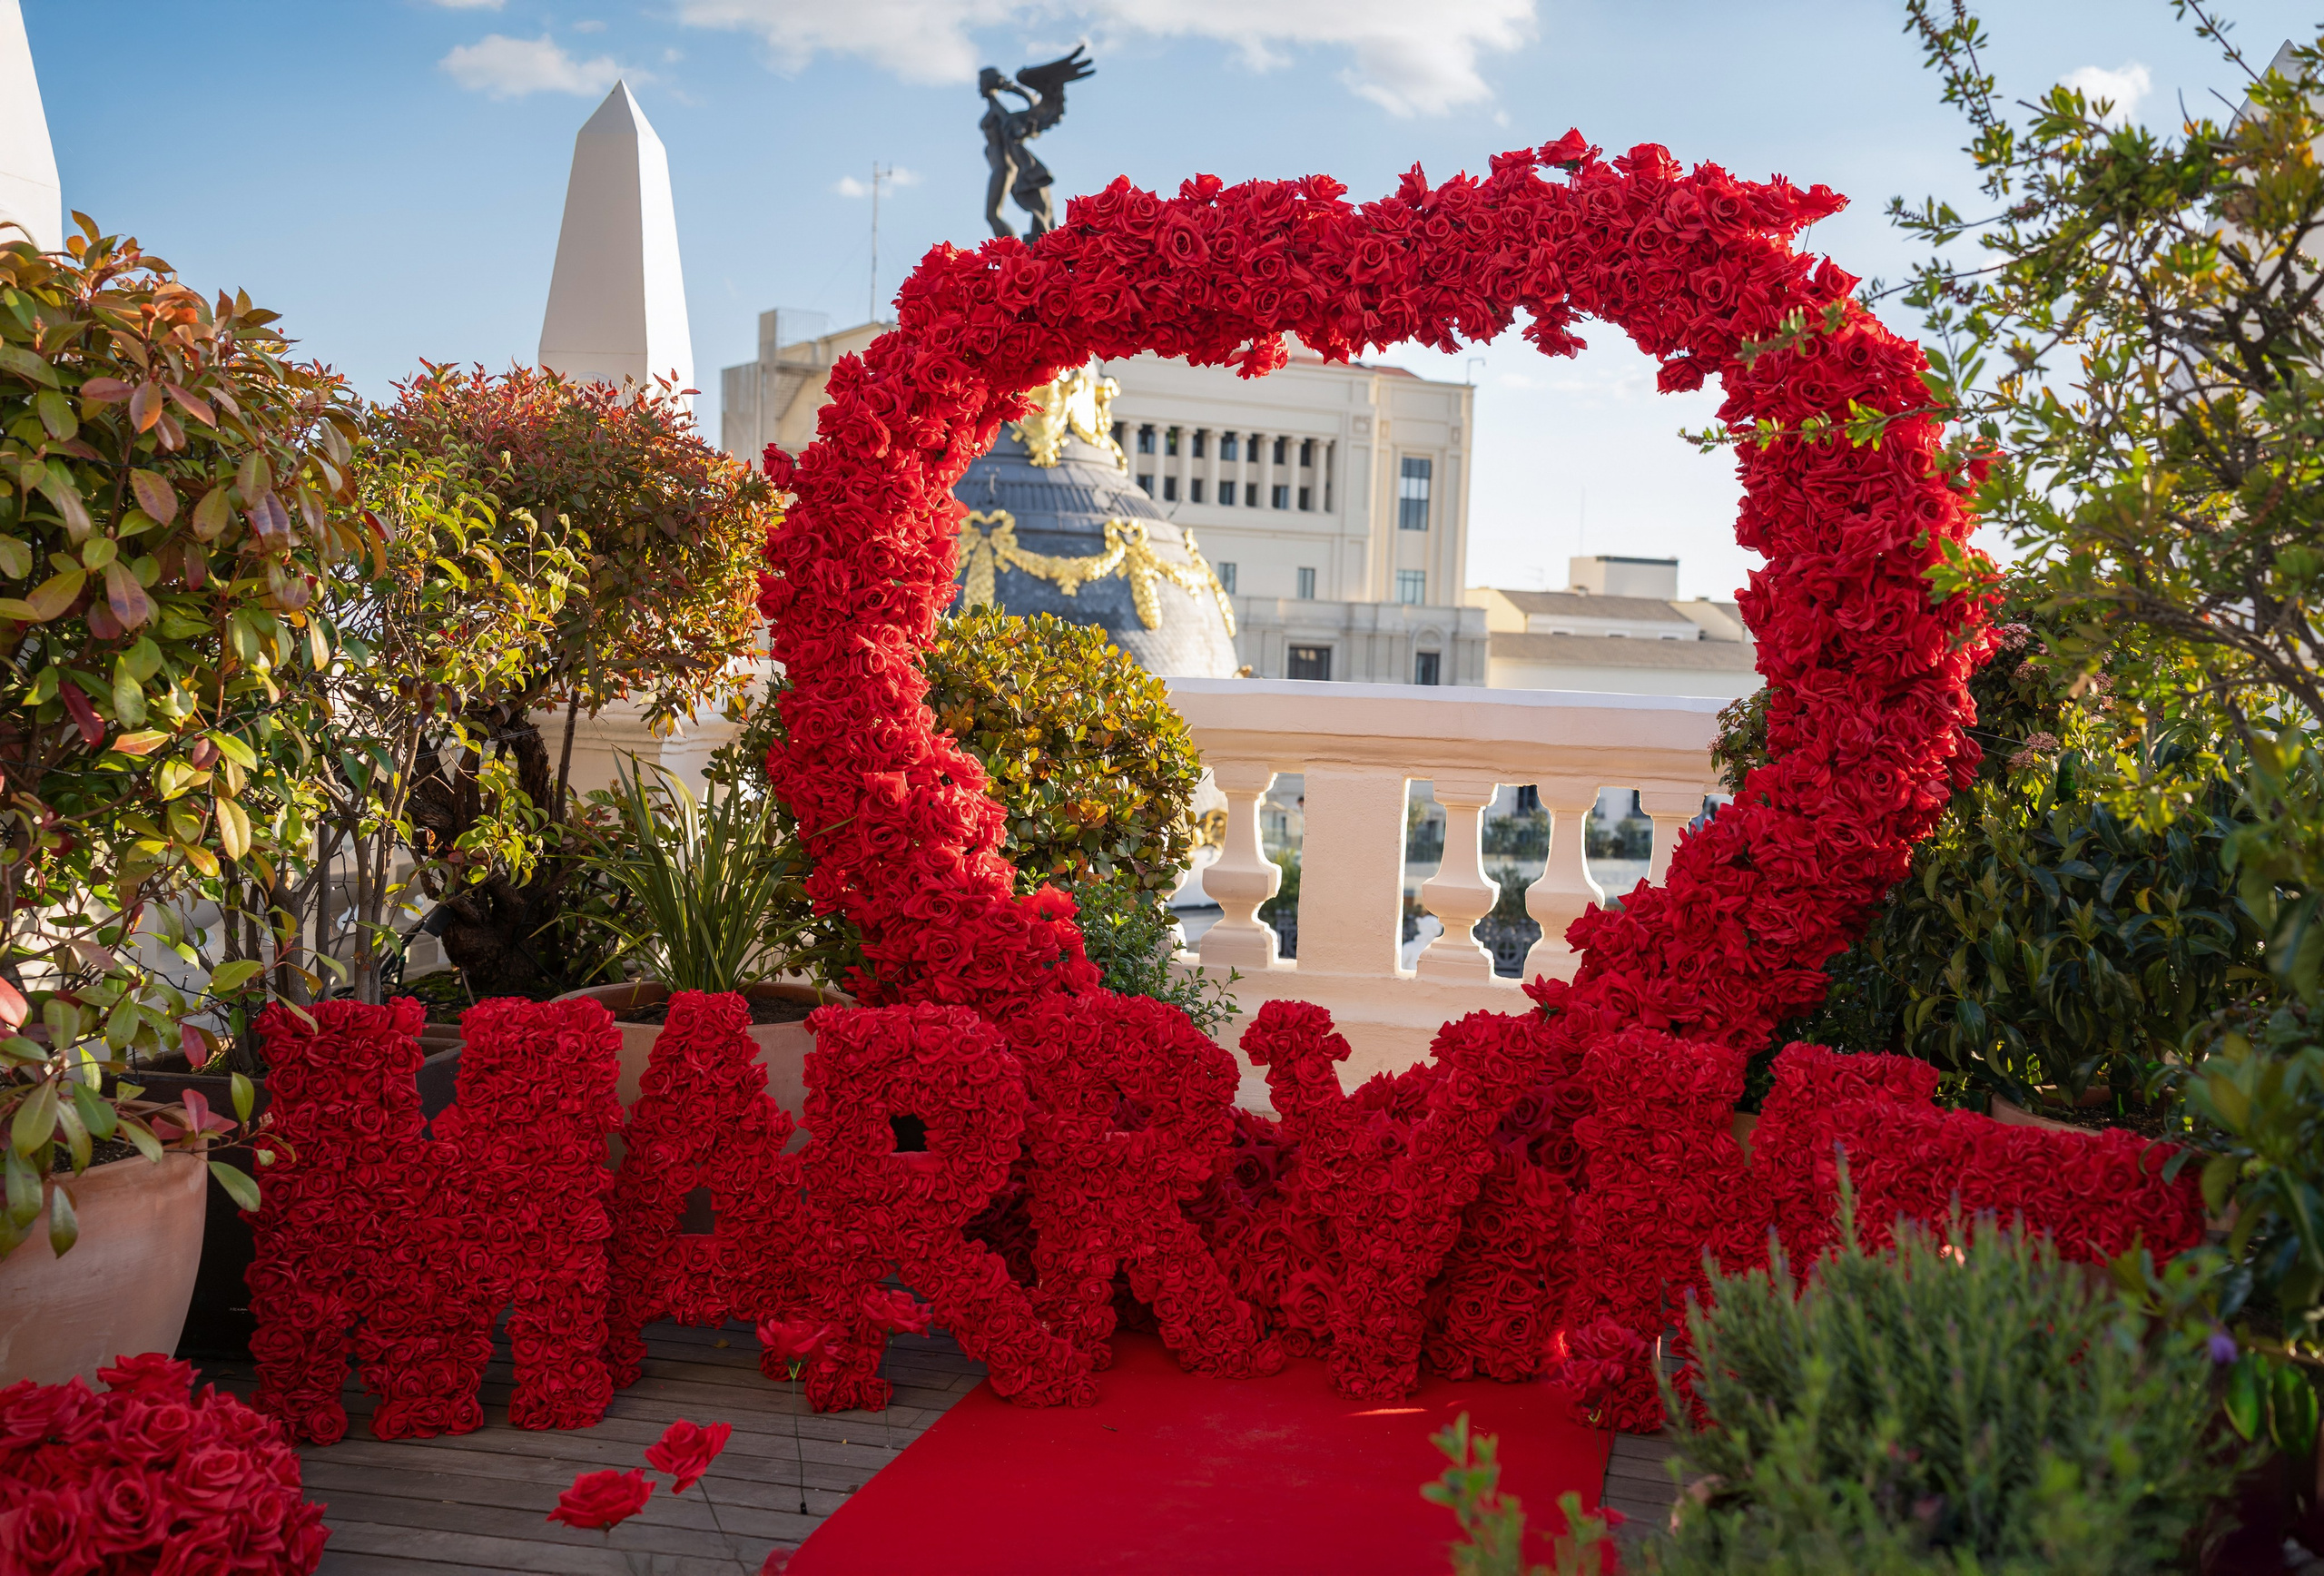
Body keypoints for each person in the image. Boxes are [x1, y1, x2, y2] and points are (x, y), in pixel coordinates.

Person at [979, 48, 1094, 239]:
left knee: (992, 215)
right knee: (994, 215)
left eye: (981, 83)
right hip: (998, 166)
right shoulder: (995, 108)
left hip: (1003, 167)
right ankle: (1009, 250)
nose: (979, 88)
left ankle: (1008, 250)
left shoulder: (1001, 112)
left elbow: (1027, 111)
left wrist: (1012, 88)